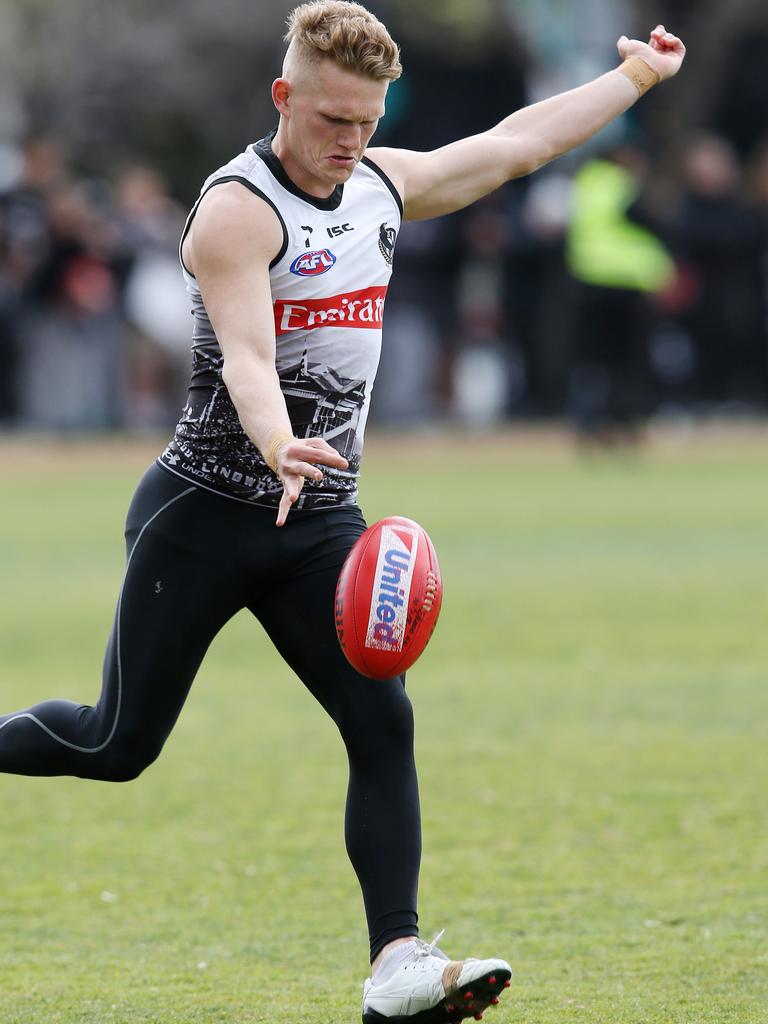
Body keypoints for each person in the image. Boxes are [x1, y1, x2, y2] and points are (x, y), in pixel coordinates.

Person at [0, 4, 685, 1021]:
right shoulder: (237, 209)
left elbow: (512, 147)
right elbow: (245, 355)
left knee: (382, 721)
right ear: (285, 99)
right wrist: (279, 442)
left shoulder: (378, 183)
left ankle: (396, 963)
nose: (350, 140)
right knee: (118, 743)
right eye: (331, 120)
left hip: (318, 518)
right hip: (205, 510)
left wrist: (631, 80)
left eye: (366, 121)